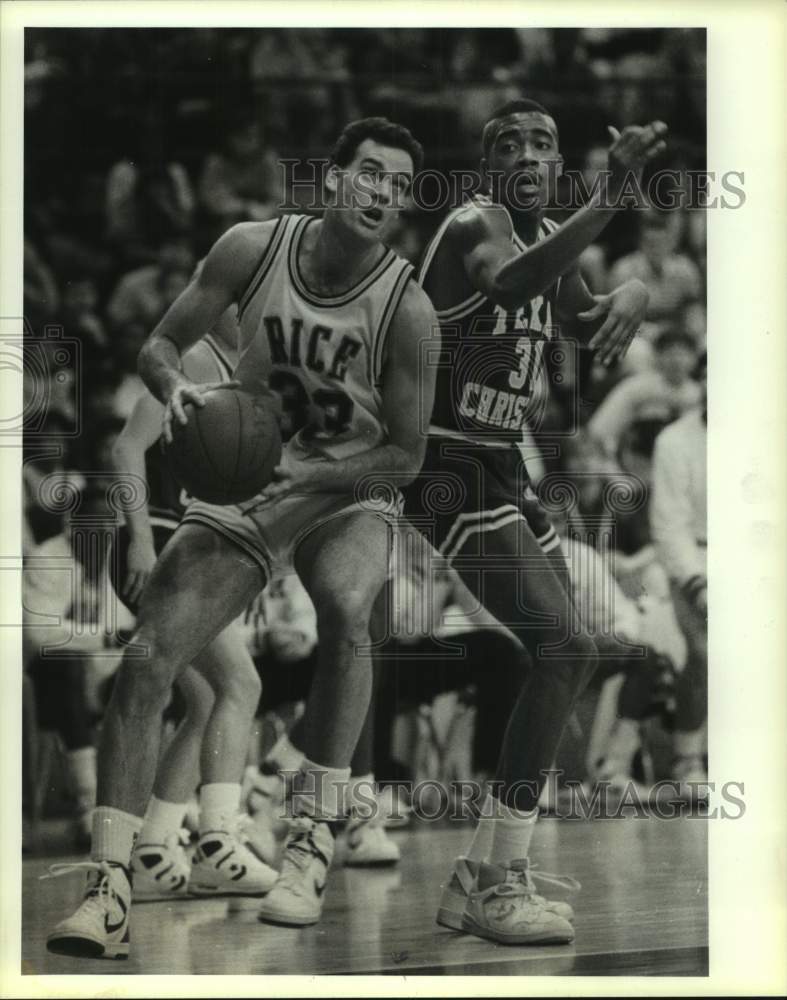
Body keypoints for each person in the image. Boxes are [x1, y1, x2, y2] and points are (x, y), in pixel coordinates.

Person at [45, 116, 437, 958]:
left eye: (399, 186)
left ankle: (310, 837)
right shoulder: (248, 248)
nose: (382, 194)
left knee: (344, 603)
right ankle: (110, 886)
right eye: (370, 174)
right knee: (151, 657)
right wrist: (174, 391)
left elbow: (405, 456)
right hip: (252, 473)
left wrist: (320, 477)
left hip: (347, 481)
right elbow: (161, 344)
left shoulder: (408, 308)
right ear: (330, 180)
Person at [403, 98, 667, 945]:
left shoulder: (550, 237)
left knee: (570, 651)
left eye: (541, 141)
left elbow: (584, 320)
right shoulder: (471, 223)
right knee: (564, 648)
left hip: (503, 469)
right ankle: (499, 880)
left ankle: (477, 875)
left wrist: (631, 282)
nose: (525, 150)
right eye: (508, 141)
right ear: (487, 165)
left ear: (554, 162)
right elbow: (507, 282)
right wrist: (607, 197)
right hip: (445, 463)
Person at [108, 308, 278, 900]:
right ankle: (216, 842)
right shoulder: (194, 361)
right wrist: (139, 540)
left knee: (205, 704)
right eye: (247, 299)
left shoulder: (250, 373)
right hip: (158, 543)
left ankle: (154, 849)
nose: (259, 311)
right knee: (241, 687)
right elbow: (127, 449)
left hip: (196, 549)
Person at [650, 351, 707, 793]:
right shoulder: (673, 440)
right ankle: (688, 760)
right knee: (704, 651)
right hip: (694, 559)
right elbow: (669, 524)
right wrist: (698, 583)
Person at [587, 327, 701, 459]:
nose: (676, 361)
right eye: (669, 353)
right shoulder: (636, 389)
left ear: (694, 358)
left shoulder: (701, 395)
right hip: (637, 468)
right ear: (656, 356)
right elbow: (600, 432)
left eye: (683, 353)